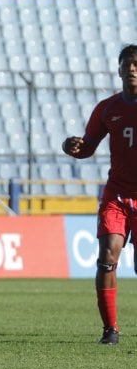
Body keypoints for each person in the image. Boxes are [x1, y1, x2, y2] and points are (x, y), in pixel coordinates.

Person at [62, 44, 137, 346]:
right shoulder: (107, 108)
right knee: (107, 258)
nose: (132, 69)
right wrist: (73, 147)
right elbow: (88, 147)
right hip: (116, 196)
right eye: (127, 65)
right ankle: (111, 330)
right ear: (118, 70)